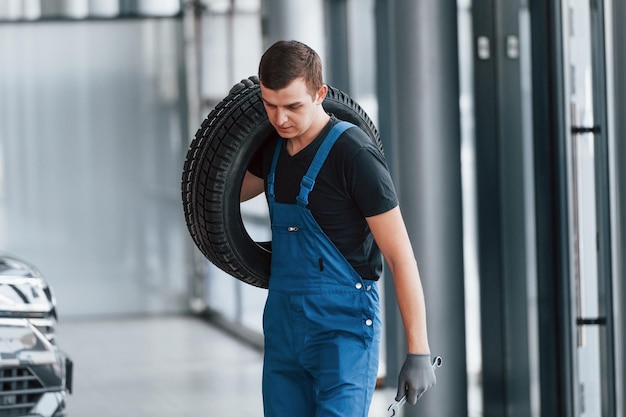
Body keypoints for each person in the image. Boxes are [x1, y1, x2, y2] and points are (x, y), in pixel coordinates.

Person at [240, 39, 436, 417]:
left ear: (320, 94)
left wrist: (418, 349)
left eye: (293, 106)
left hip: (342, 331)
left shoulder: (354, 155)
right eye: (270, 105)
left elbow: (400, 256)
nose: (280, 119)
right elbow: (219, 197)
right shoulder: (273, 150)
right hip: (283, 329)